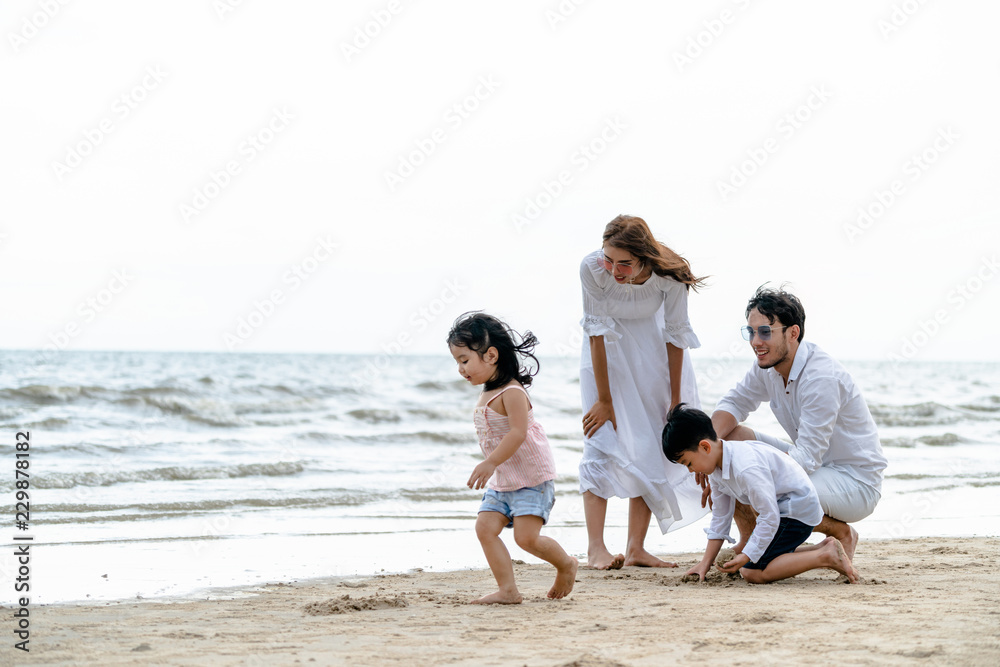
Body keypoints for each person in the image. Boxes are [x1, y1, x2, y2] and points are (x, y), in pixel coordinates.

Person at [709, 286, 887, 560]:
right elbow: (734, 403)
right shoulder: (766, 366)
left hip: (855, 483)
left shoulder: (820, 378)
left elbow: (805, 459)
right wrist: (708, 450)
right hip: (817, 470)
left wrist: (751, 474)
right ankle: (749, 538)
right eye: (751, 332)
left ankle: (840, 532)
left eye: (765, 331)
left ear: (793, 333)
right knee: (730, 442)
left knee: (761, 480)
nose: (756, 341)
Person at [579, 214, 707, 570]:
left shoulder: (670, 274)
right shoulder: (592, 269)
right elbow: (596, 333)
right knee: (601, 439)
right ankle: (595, 549)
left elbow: (676, 335)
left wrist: (676, 398)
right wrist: (604, 400)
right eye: (609, 259)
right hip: (605, 358)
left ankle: (636, 548)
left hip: (653, 359)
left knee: (651, 441)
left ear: (645, 258)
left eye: (624, 263)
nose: (614, 270)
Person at [447, 312, 578, 604]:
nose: (460, 368)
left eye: (464, 360)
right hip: (504, 481)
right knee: (484, 528)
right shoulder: (487, 393)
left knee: (526, 539)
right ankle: (508, 590)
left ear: (491, 355)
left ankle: (566, 564)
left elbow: (518, 433)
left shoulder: (512, 391)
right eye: (457, 361)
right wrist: (495, 467)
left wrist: (490, 461)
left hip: (531, 479)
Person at [662, 404, 859, 584]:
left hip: (796, 512)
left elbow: (769, 516)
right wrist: (705, 562)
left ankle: (825, 556)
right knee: (759, 558)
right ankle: (822, 548)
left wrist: (747, 555)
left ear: (705, 446)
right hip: (782, 511)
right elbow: (721, 518)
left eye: (688, 463)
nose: (690, 470)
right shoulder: (716, 468)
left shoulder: (746, 468)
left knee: (753, 572)